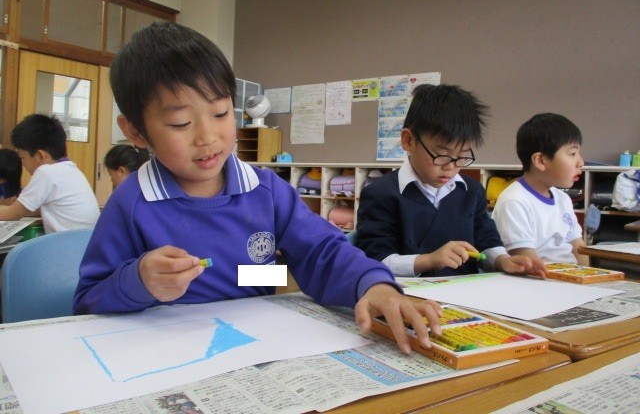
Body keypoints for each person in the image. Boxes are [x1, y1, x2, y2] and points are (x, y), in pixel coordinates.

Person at [72, 21, 442, 354]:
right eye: (181, 123)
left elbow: (320, 253)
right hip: (166, 351)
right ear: (135, 131)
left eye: (221, 113)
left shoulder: (265, 190)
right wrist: (138, 281)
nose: (208, 137)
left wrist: (372, 284)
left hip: (256, 346)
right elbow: (88, 301)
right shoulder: (132, 202)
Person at [356, 84, 547, 278]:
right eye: (441, 155)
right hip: (408, 293)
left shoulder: (472, 191)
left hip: (466, 290)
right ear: (408, 140)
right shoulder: (380, 193)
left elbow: (486, 242)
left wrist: (502, 260)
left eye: (462, 156)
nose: (451, 167)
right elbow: (376, 259)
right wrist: (429, 260)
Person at [492, 113, 585, 264]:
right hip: (540, 275)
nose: (580, 162)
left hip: (571, 274)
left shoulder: (563, 199)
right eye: (572, 154)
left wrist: (597, 275)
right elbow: (529, 263)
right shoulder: (514, 201)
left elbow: (579, 248)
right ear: (540, 161)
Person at [0, 114, 100, 233]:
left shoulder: (45, 172)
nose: (23, 164)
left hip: (66, 243)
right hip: (84, 241)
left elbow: (12, 214)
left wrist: (13, 208)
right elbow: (34, 209)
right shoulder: (72, 170)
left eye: (22, 158)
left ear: (40, 155)